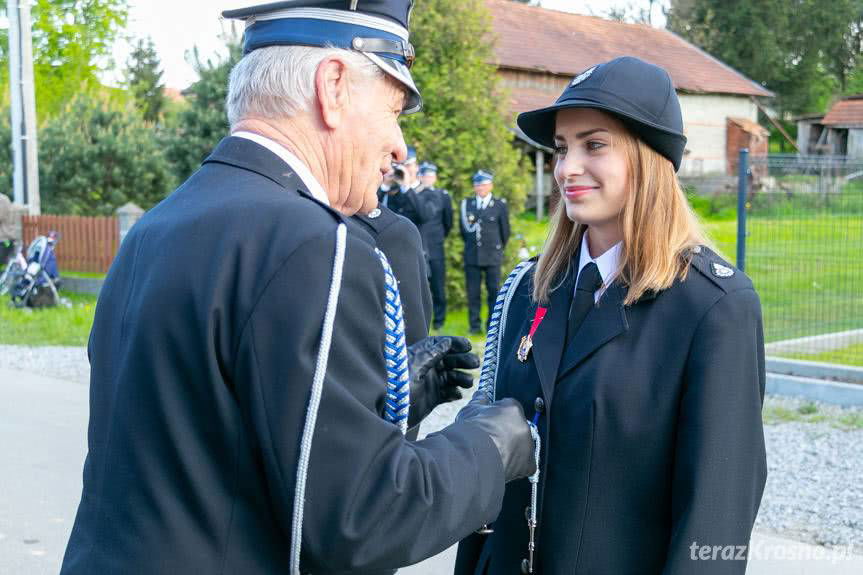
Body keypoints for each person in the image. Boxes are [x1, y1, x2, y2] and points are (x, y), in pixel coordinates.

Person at [60, 3, 538, 574]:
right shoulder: (314, 243)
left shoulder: (160, 225)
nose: (398, 146)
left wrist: (382, 405)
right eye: (393, 112)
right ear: (333, 85)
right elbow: (362, 520)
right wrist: (489, 445)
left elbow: (208, 437)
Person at [455, 57, 767, 574]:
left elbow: (717, 516)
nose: (566, 168)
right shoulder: (529, 289)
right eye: (561, 148)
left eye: (594, 145)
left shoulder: (712, 307)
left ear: (650, 157)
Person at [460, 170, 510, 334]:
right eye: (477, 184)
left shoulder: (499, 205)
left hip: (492, 255)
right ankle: (474, 326)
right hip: (472, 255)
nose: (480, 187)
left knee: (493, 291)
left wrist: (497, 249)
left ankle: (492, 326)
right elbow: (464, 231)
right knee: (473, 293)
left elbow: (505, 232)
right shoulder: (467, 204)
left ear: (491, 186)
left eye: (484, 184)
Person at [414, 162, 453, 329]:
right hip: (418, 245)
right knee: (420, 285)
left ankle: (439, 320)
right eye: (425, 175)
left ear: (435, 177)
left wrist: (439, 238)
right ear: (420, 177)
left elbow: (448, 222)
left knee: (438, 284)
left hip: (436, 246)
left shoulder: (442, 195)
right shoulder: (414, 194)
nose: (428, 178)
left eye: (430, 175)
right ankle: (422, 319)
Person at [378, 146, 427, 228]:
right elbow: (372, 212)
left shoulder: (427, 192)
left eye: (408, 166)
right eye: (400, 166)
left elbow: (425, 216)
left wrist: (406, 187)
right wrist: (385, 185)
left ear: (417, 167)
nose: (404, 170)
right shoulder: (390, 190)